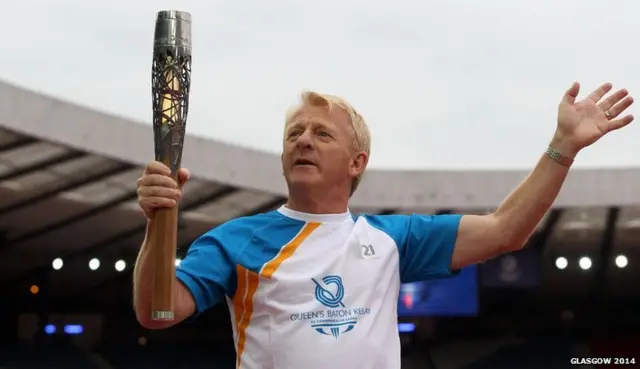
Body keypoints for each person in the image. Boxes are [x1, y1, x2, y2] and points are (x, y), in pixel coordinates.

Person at [133, 82, 633, 368]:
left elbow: (507, 229)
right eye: (295, 133)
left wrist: (562, 146)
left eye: (322, 133)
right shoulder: (237, 239)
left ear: (357, 162)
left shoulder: (393, 239)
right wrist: (159, 222)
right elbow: (158, 312)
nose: (303, 140)